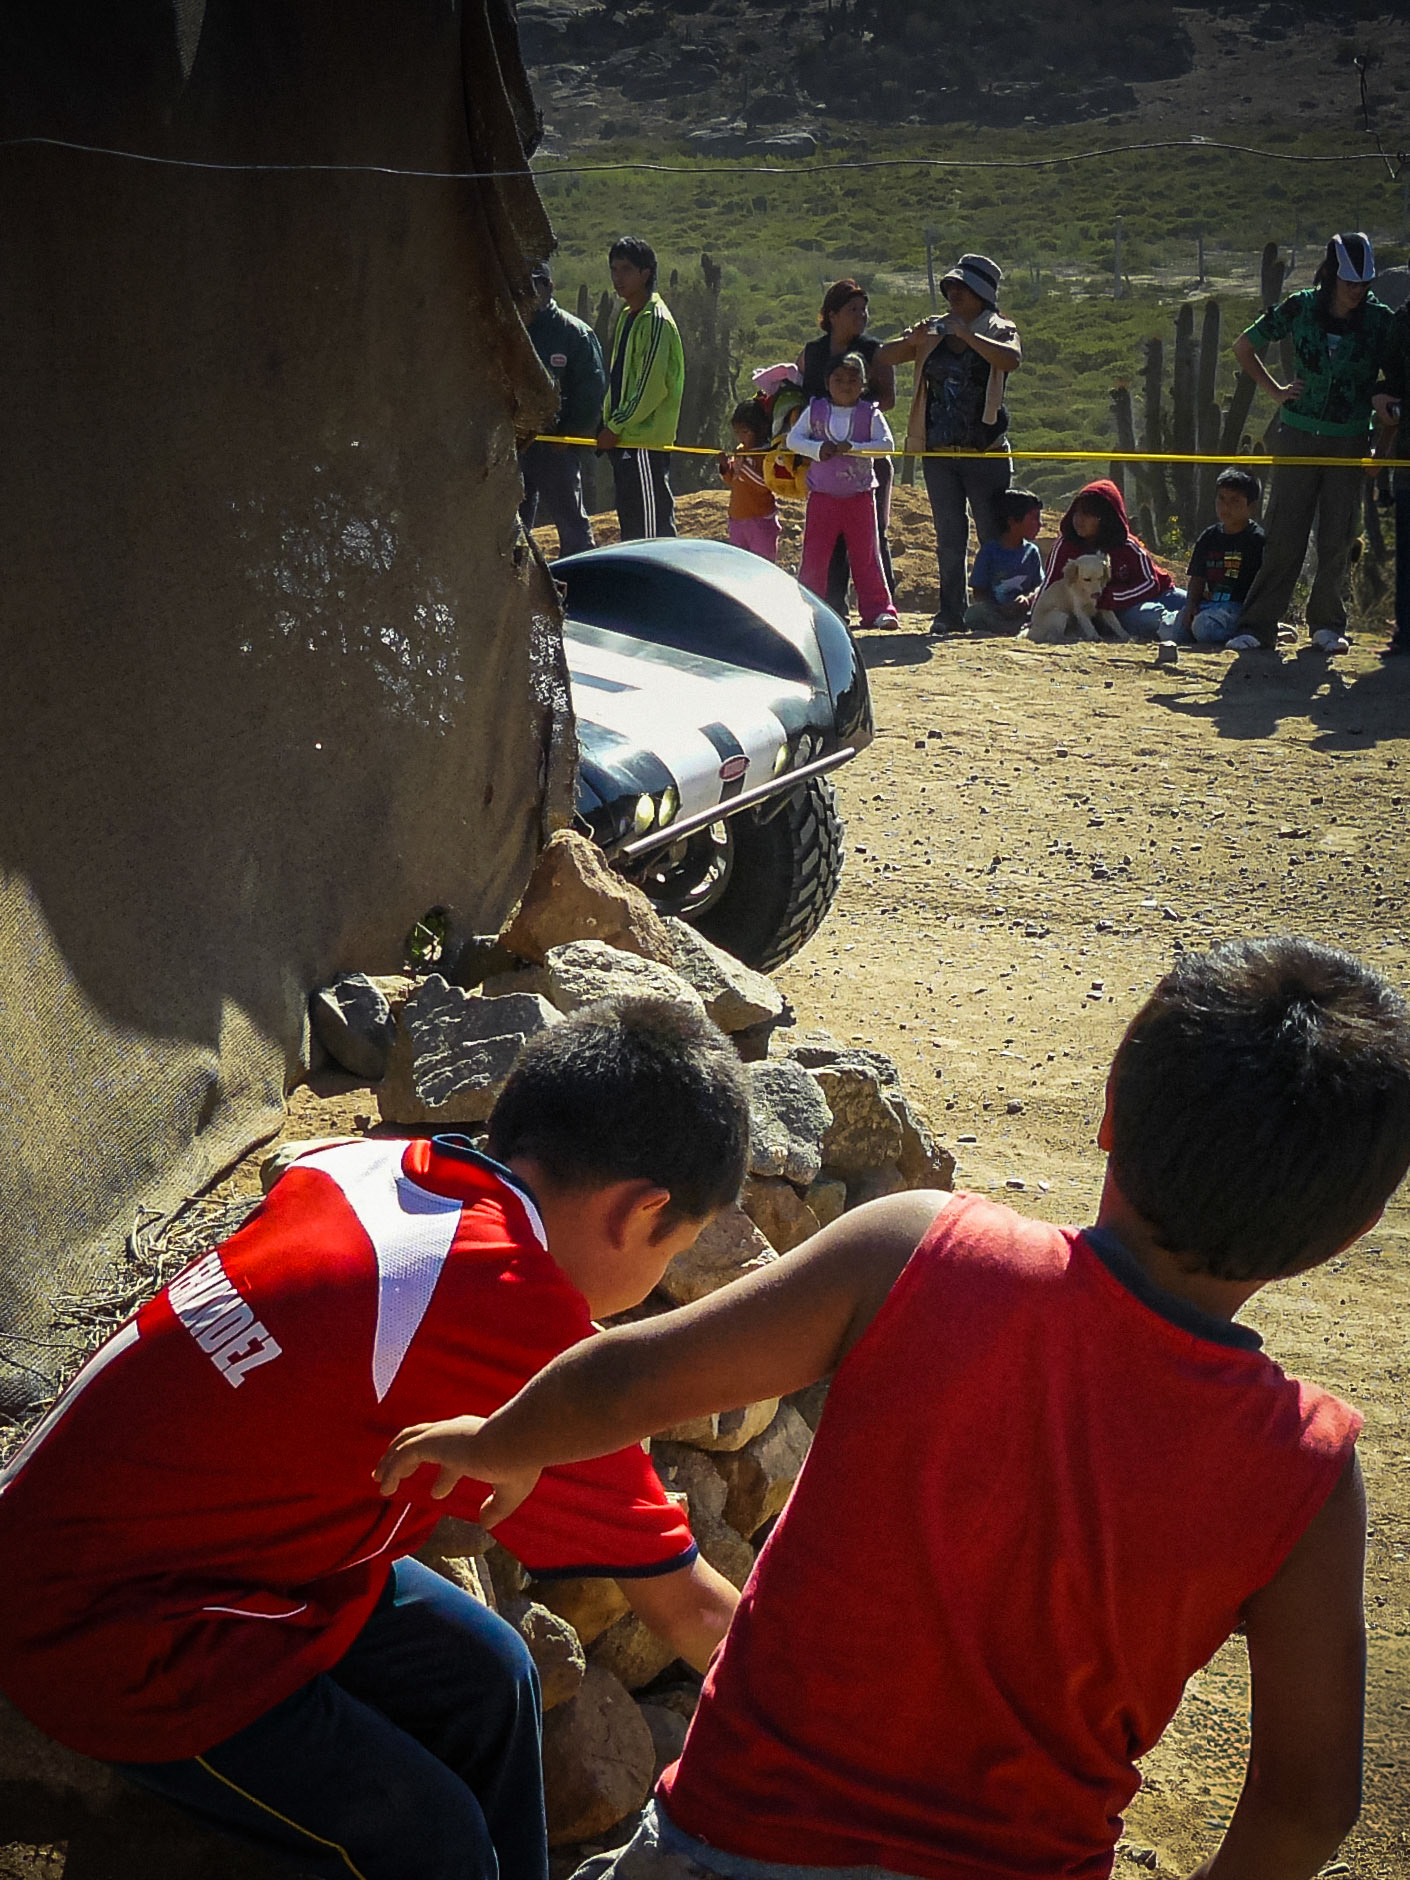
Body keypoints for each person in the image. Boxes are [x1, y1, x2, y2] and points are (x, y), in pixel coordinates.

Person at [381, 936, 1410, 1880]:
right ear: (1350, 1228)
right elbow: (1308, 1800)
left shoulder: (923, 1252)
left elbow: (628, 1379)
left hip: (734, 1847)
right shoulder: (1308, 1470)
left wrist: (500, 1435)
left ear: (1108, 1114)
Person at [0, 1000, 747, 1880]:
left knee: (495, 1673)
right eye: (680, 1248)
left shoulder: (378, 1170)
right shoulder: (506, 1311)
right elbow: (692, 1612)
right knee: (432, 1845)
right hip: (117, 1631)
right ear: (640, 1211)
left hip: (170, 1546)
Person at [1230, 231, 1395, 655]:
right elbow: (1245, 345)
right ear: (1330, 276)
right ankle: (1260, 623)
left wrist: (1383, 443)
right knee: (1284, 532)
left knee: (1338, 535)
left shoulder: (1381, 321)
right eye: (1348, 282)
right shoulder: (1299, 306)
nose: (1356, 291)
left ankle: (1326, 623)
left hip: (1350, 438)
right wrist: (1276, 391)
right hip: (1297, 433)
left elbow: (1394, 386)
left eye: (1363, 283)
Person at [878, 254, 1021, 636]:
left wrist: (968, 335)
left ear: (981, 293)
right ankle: (950, 612)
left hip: (985, 452)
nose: (953, 293)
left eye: (961, 287)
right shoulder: (936, 330)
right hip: (939, 452)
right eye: (950, 287)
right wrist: (913, 339)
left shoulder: (1000, 327)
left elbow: (1011, 360)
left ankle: (992, 609)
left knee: (991, 531)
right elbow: (884, 357)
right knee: (948, 535)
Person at [796, 280, 897, 615]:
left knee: (870, 538)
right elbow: (798, 398)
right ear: (832, 314)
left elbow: (888, 400)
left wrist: (853, 417)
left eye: (864, 309)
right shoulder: (812, 353)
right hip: (822, 461)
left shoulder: (875, 352)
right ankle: (830, 607)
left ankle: (880, 606)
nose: (862, 316)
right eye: (853, 309)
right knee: (824, 542)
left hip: (864, 461)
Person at [785, 353, 898, 630]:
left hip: (860, 497)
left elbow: (887, 445)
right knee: (815, 555)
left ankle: (878, 609)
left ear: (863, 382)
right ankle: (808, 607)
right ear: (827, 382)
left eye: (852, 379)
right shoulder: (816, 410)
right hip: (822, 497)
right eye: (838, 379)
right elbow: (793, 440)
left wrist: (856, 448)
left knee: (867, 555)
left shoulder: (870, 413)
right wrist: (816, 449)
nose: (845, 385)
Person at [597, 237, 686, 540]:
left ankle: (663, 586)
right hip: (626, 439)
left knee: (653, 534)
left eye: (625, 269)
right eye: (613, 269)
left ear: (645, 273)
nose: (617, 277)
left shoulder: (656, 321)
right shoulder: (627, 315)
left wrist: (616, 425)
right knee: (633, 529)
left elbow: (650, 387)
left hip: (645, 441)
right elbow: (620, 376)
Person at [519, 262, 608, 558]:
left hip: (556, 445)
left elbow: (591, 391)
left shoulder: (575, 334)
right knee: (513, 525)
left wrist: (569, 434)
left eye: (535, 284)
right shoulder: (511, 330)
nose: (529, 292)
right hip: (515, 443)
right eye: (523, 285)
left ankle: (582, 578)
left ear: (549, 286)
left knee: (571, 522)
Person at [1041, 478, 1183, 637]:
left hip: (1156, 593)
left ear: (1105, 518)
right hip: (1121, 611)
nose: (1079, 519)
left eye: (1088, 514)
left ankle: (1193, 619)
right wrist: (1035, 618)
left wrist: (1113, 596)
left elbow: (1151, 583)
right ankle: (1180, 624)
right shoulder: (1065, 545)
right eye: (1076, 512)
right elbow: (1050, 583)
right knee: (1147, 619)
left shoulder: (1127, 545)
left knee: (1188, 601)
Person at [1160, 467, 1267, 647]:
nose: (1226, 506)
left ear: (1252, 507)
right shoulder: (1209, 536)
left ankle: (1247, 634)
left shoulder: (1256, 540)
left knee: (1204, 627)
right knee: (1170, 629)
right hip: (1209, 606)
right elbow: (1198, 577)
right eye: (1222, 499)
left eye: (1235, 501)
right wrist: (1191, 605)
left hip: (1238, 609)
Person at [1372, 297, 1410, 658]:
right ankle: (1406, 632)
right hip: (1408, 458)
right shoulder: (1403, 322)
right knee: (1408, 551)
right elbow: (1391, 382)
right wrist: (1380, 396)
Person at [963, 486, 1044, 631]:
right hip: (996, 613)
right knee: (974, 613)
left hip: (1023, 613)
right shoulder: (990, 551)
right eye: (1034, 518)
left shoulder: (1032, 552)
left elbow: (1040, 587)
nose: (1040, 525)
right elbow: (979, 591)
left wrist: (1027, 599)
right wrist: (999, 608)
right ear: (1012, 521)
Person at [718, 398, 779, 561]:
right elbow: (733, 480)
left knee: (761, 565)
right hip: (737, 520)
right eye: (737, 432)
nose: (740, 438)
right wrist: (725, 467)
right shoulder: (741, 451)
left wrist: (743, 468)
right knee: (739, 565)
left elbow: (765, 485)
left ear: (760, 429)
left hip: (760, 521)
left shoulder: (765, 455)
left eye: (745, 432)